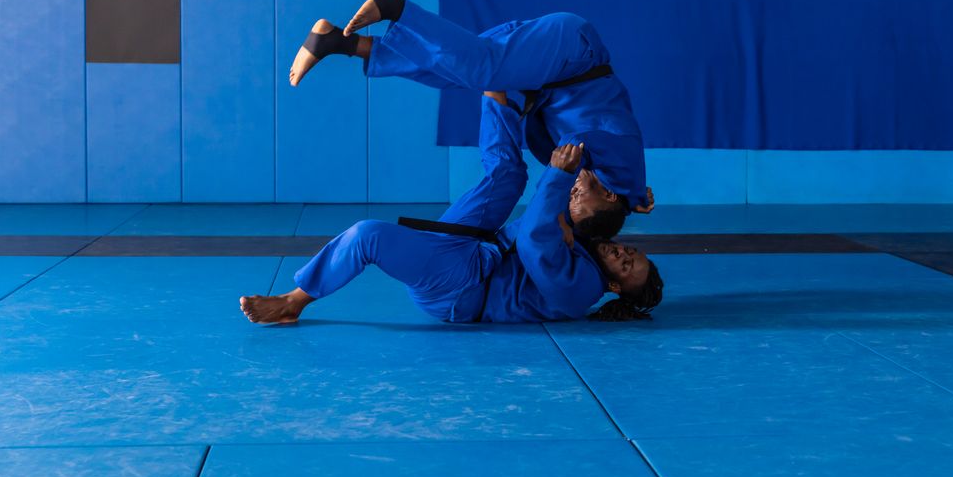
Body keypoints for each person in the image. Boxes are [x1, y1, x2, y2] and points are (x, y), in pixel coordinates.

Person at [239, 93, 663, 325]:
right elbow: (578, 212)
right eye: (633, 253)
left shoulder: (581, 290)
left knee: (369, 235)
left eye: (626, 269)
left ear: (614, 290)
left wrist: (555, 177)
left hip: (461, 288)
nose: (625, 256)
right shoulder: (590, 249)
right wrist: (628, 196)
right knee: (507, 177)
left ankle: (296, 299)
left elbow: (535, 243)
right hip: (474, 249)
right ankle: (496, 93)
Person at [288, 0, 654, 239]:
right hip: (574, 54)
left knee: (455, 75)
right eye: (578, 197)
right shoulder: (618, 160)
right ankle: (393, 5)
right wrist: (627, 192)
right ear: (608, 195)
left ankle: (341, 43)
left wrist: (633, 199)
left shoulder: (618, 185)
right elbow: (575, 149)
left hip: (545, 76)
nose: (571, 191)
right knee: (485, 70)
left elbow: (620, 190)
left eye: (571, 198)